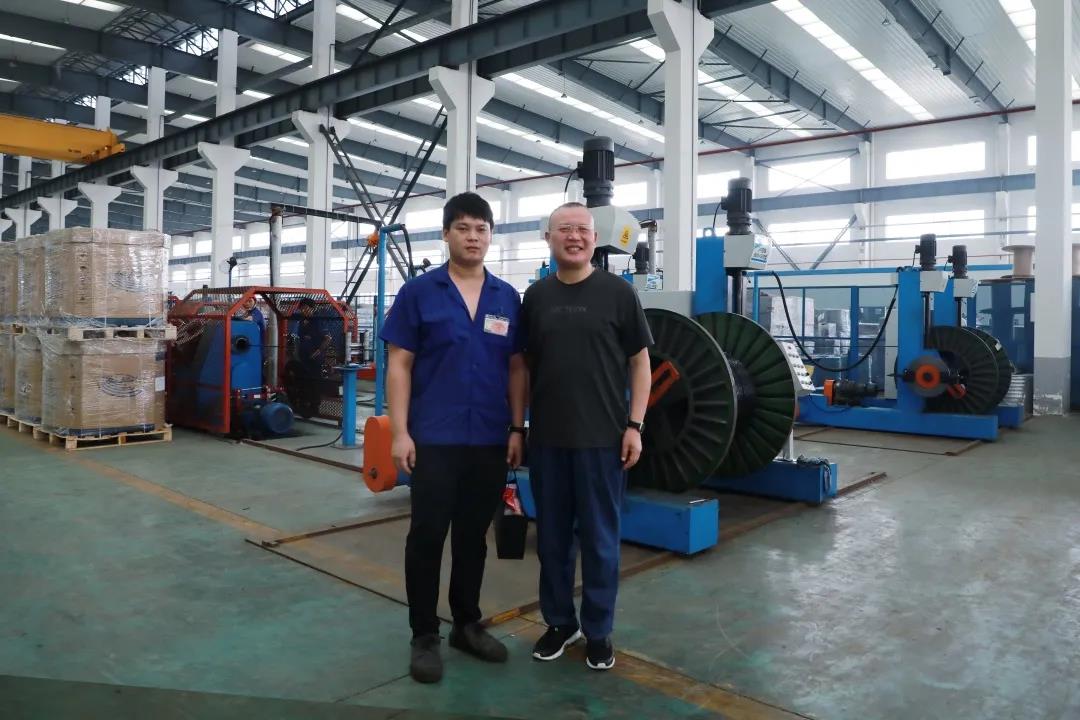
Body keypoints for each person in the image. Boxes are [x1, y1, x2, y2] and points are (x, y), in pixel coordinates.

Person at [380, 192, 527, 684]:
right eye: (463, 228)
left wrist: (516, 427)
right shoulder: (420, 292)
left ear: (491, 236)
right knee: (427, 535)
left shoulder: (507, 297)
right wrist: (400, 432)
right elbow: (399, 365)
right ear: (446, 234)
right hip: (434, 437)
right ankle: (424, 635)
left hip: (487, 436)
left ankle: (467, 624)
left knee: (472, 537)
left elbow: (517, 367)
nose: (473, 237)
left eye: (481, 229)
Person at [519, 201, 652, 671]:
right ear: (548, 237)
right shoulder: (535, 297)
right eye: (564, 229)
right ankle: (560, 623)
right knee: (553, 541)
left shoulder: (619, 294)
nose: (573, 236)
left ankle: (598, 630)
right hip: (548, 442)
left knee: (600, 542)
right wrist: (518, 427)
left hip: (603, 441)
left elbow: (640, 364)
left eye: (582, 229)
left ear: (595, 239)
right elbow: (522, 367)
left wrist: (635, 425)